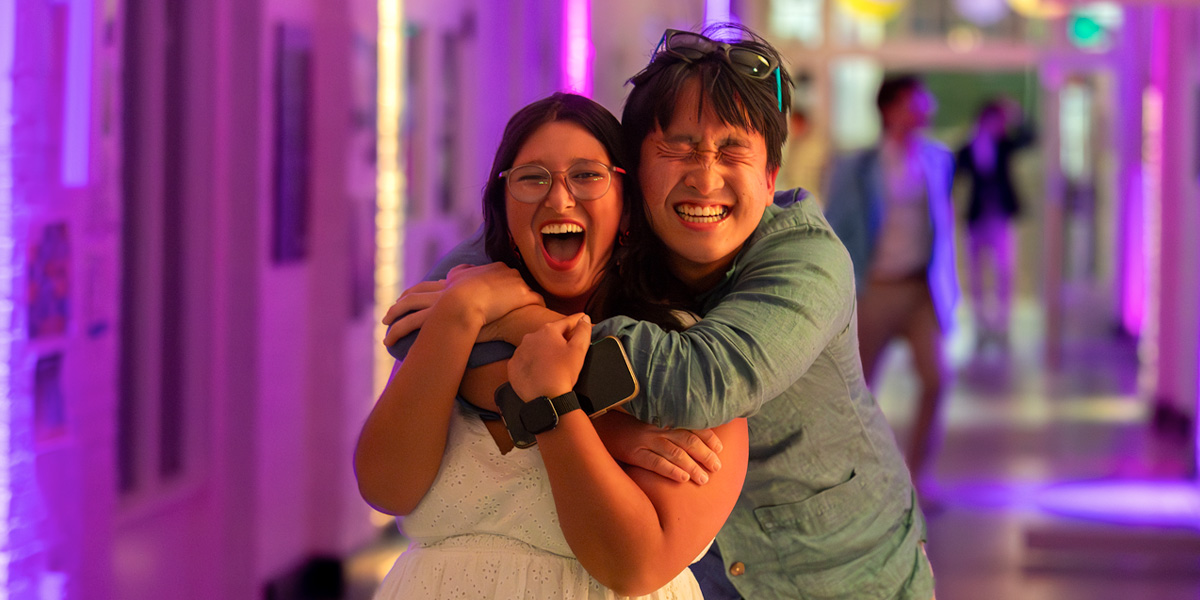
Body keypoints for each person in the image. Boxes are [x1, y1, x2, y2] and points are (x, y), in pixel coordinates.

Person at [388, 25, 935, 599]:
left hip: (842, 574)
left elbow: (699, 384)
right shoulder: (606, 222)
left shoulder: (806, 259)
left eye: (732, 151)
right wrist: (472, 323)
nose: (704, 177)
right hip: (699, 574)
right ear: (633, 170)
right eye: (678, 148)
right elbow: (416, 328)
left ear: (770, 177)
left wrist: (507, 320)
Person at [355, 92, 748, 599]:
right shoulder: (458, 322)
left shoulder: (686, 355)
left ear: (628, 212)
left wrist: (558, 406)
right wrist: (460, 313)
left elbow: (631, 566)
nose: (559, 199)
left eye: (587, 175)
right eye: (532, 178)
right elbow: (386, 488)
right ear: (503, 210)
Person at [824, 74, 959, 495]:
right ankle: (859, 480)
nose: (924, 109)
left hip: (921, 290)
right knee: (857, 390)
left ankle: (919, 476)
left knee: (937, 379)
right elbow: (838, 227)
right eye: (914, 101)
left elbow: (942, 228)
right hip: (874, 288)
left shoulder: (937, 160)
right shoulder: (858, 167)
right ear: (889, 109)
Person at [955, 97, 1034, 348]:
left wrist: (1017, 116)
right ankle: (980, 321)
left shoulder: (1005, 144)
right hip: (978, 217)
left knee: (1004, 270)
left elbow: (1030, 137)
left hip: (1001, 216)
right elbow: (955, 172)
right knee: (976, 272)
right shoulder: (969, 147)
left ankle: (1002, 321)